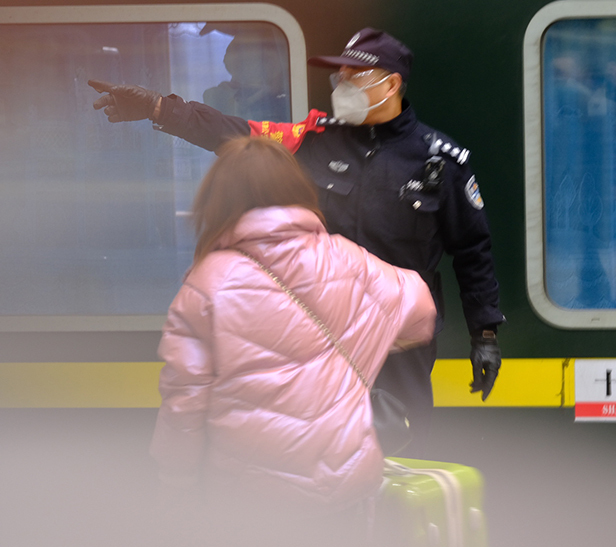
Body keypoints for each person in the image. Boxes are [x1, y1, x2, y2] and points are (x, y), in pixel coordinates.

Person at [90, 27, 504, 447]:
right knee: (317, 449)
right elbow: (236, 133)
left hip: (399, 342)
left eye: (355, 77)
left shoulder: (440, 161)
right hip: (317, 339)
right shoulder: (313, 139)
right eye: (340, 77)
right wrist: (160, 108)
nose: (342, 86)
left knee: (406, 449)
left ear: (392, 84)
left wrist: (484, 334)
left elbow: (472, 251)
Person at [150, 135, 436, 512]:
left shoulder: (207, 285)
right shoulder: (348, 259)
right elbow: (421, 315)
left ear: (219, 202)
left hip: (249, 502)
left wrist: (176, 482)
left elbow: (184, 403)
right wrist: (363, 339)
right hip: (346, 492)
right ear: (297, 190)